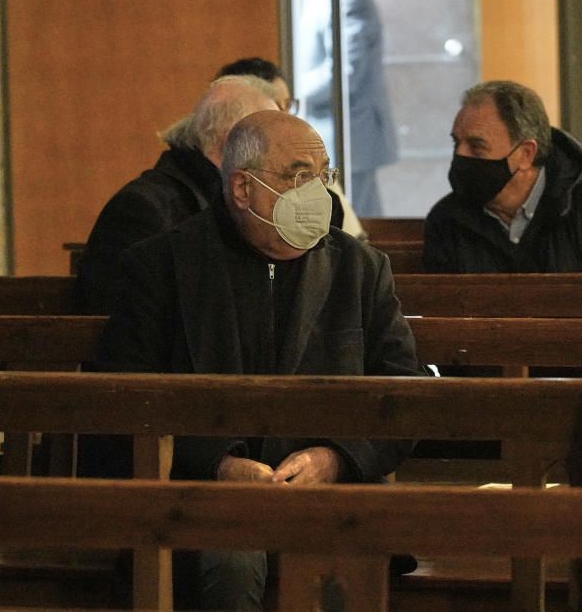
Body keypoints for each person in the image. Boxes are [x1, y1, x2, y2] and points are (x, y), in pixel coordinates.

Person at [84, 109, 423, 610]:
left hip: (330, 499)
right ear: (242, 190)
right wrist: (216, 467)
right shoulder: (162, 266)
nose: (319, 193)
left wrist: (335, 459)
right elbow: (118, 404)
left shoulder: (360, 269)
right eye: (299, 176)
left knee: (342, 558)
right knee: (233, 558)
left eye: (324, 175)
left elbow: (404, 394)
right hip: (203, 502)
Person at [74, 75, 279, 315]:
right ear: (232, 143)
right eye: (269, 144)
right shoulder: (142, 209)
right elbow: (125, 323)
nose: (276, 158)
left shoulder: (225, 201)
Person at [423, 80, 582, 274]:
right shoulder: (447, 220)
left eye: (476, 146)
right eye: (457, 143)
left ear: (526, 154)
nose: (460, 155)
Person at [215, 55, 366, 239]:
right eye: (276, 107)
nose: (286, 118)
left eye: (288, 105)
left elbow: (352, 240)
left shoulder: (316, 172)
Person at [295, 0, 397, 216]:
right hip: (327, 129)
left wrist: (293, 89)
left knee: (355, 224)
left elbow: (344, 71)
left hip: (349, 131)